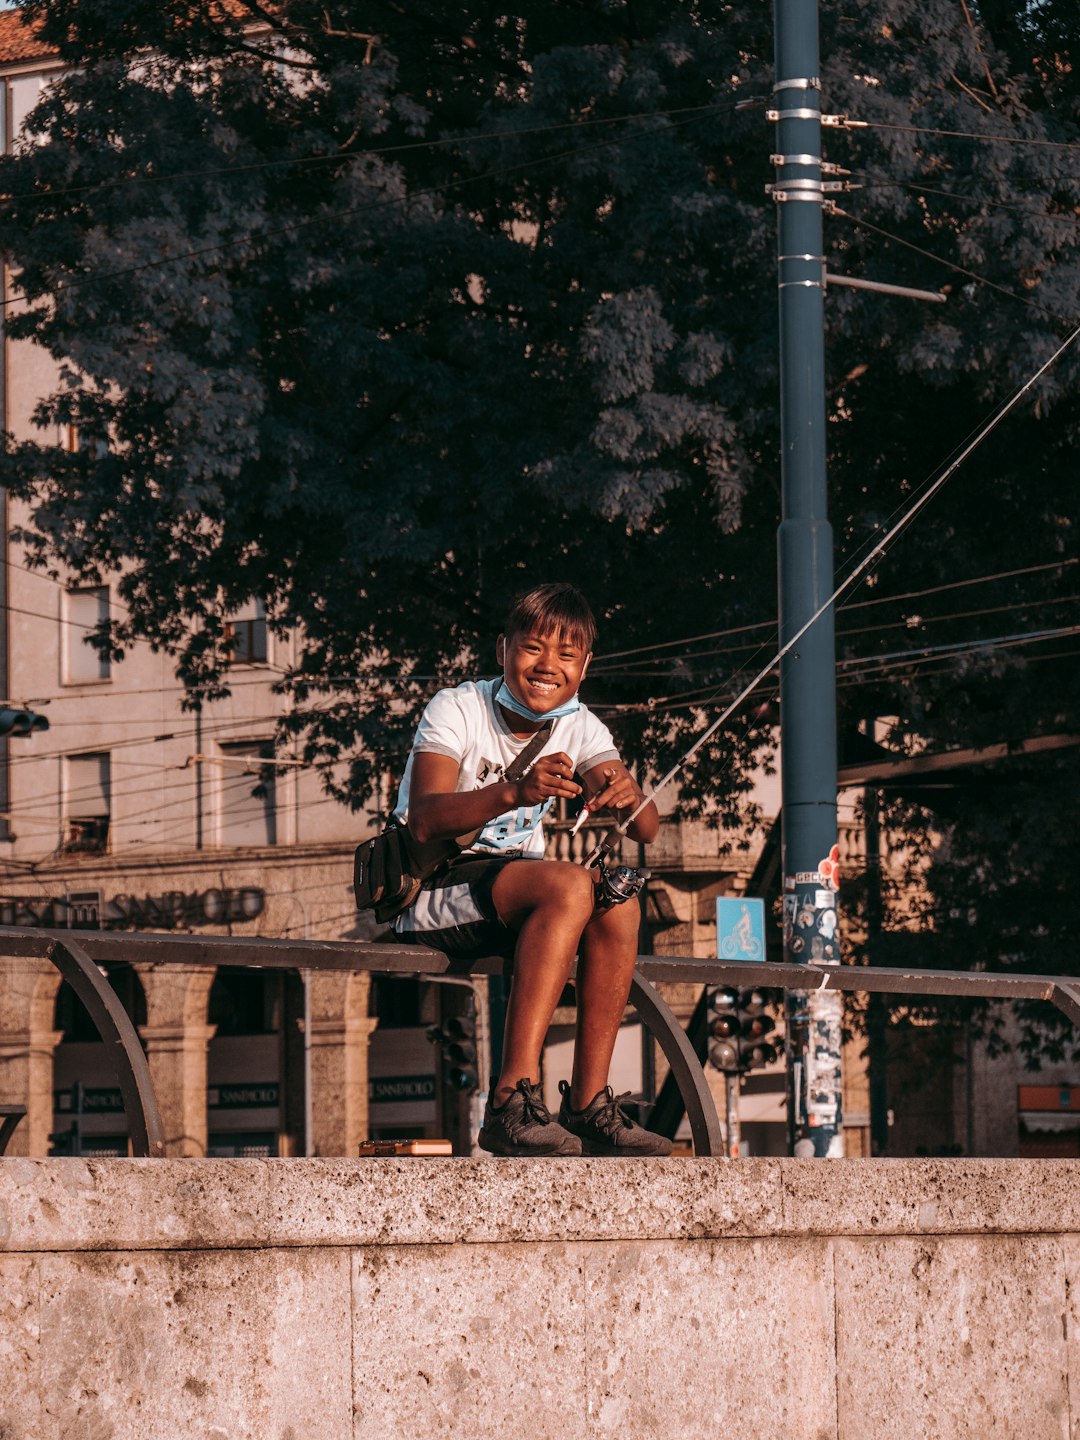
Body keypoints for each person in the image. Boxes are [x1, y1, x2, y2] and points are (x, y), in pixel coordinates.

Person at [391, 582, 672, 1158]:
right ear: (503, 649)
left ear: (585, 666)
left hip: (517, 895)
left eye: (567, 656)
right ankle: (509, 1102)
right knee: (571, 883)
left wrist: (628, 793)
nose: (548, 667)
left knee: (621, 898)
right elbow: (423, 820)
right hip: (431, 887)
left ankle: (590, 1102)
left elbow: (646, 830)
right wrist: (515, 791)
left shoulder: (582, 725)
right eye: (534, 648)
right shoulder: (456, 707)